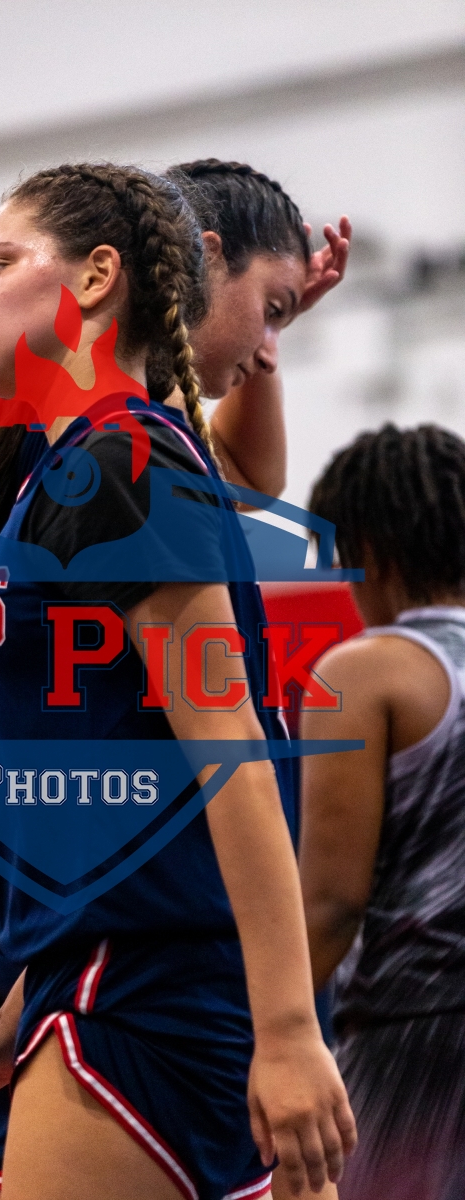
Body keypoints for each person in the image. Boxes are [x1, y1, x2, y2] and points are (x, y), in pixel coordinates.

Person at [0, 161, 356, 1200]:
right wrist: (8, 1006)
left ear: (95, 277)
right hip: (111, 981)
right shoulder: (72, 469)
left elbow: (232, 759)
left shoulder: (127, 462)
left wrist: (288, 1030)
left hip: (153, 1000)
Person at [298, 423, 465, 1200]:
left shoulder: (366, 674)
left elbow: (331, 904)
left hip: (416, 1041)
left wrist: (252, 1029)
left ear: (369, 547)